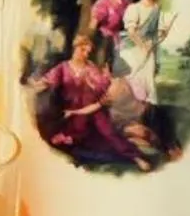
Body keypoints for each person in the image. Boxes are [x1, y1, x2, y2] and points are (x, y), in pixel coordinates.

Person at [30, 35, 138, 165]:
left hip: (93, 109)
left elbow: (102, 86)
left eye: (88, 52)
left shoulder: (90, 68)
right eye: (83, 50)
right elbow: (46, 81)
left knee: (108, 133)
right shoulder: (62, 68)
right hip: (71, 111)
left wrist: (105, 79)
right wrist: (37, 84)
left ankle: (135, 156)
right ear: (75, 48)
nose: (85, 54)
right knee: (65, 139)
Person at [116, 0, 162, 102]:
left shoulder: (156, 8)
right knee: (134, 81)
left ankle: (146, 113)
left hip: (149, 50)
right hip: (132, 50)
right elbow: (131, 32)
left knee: (148, 83)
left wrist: (154, 55)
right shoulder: (134, 8)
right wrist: (143, 47)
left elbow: (155, 35)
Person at [89, 0, 129, 64]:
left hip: (121, 39)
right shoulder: (103, 1)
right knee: (104, 64)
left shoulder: (127, 2)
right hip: (105, 38)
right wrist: (90, 39)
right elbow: (93, 22)